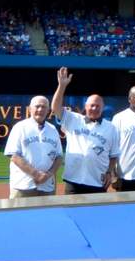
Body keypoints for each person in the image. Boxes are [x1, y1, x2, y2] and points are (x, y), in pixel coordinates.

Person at [51, 67, 119, 195]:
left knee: (96, 215)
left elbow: (114, 155)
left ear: (103, 108)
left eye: (98, 106)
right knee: (71, 214)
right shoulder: (73, 118)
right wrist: (61, 86)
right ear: (86, 106)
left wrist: (110, 172)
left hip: (98, 182)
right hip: (73, 180)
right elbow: (55, 107)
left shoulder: (111, 128)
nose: (94, 108)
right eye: (92, 105)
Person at [4, 93, 62, 199]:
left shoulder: (52, 129)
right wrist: (36, 174)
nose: (40, 109)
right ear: (30, 109)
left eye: (43, 107)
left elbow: (59, 157)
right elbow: (14, 156)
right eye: (37, 106)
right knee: (20, 214)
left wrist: (48, 175)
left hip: (47, 186)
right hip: (23, 185)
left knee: (46, 215)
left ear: (48, 110)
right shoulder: (20, 127)